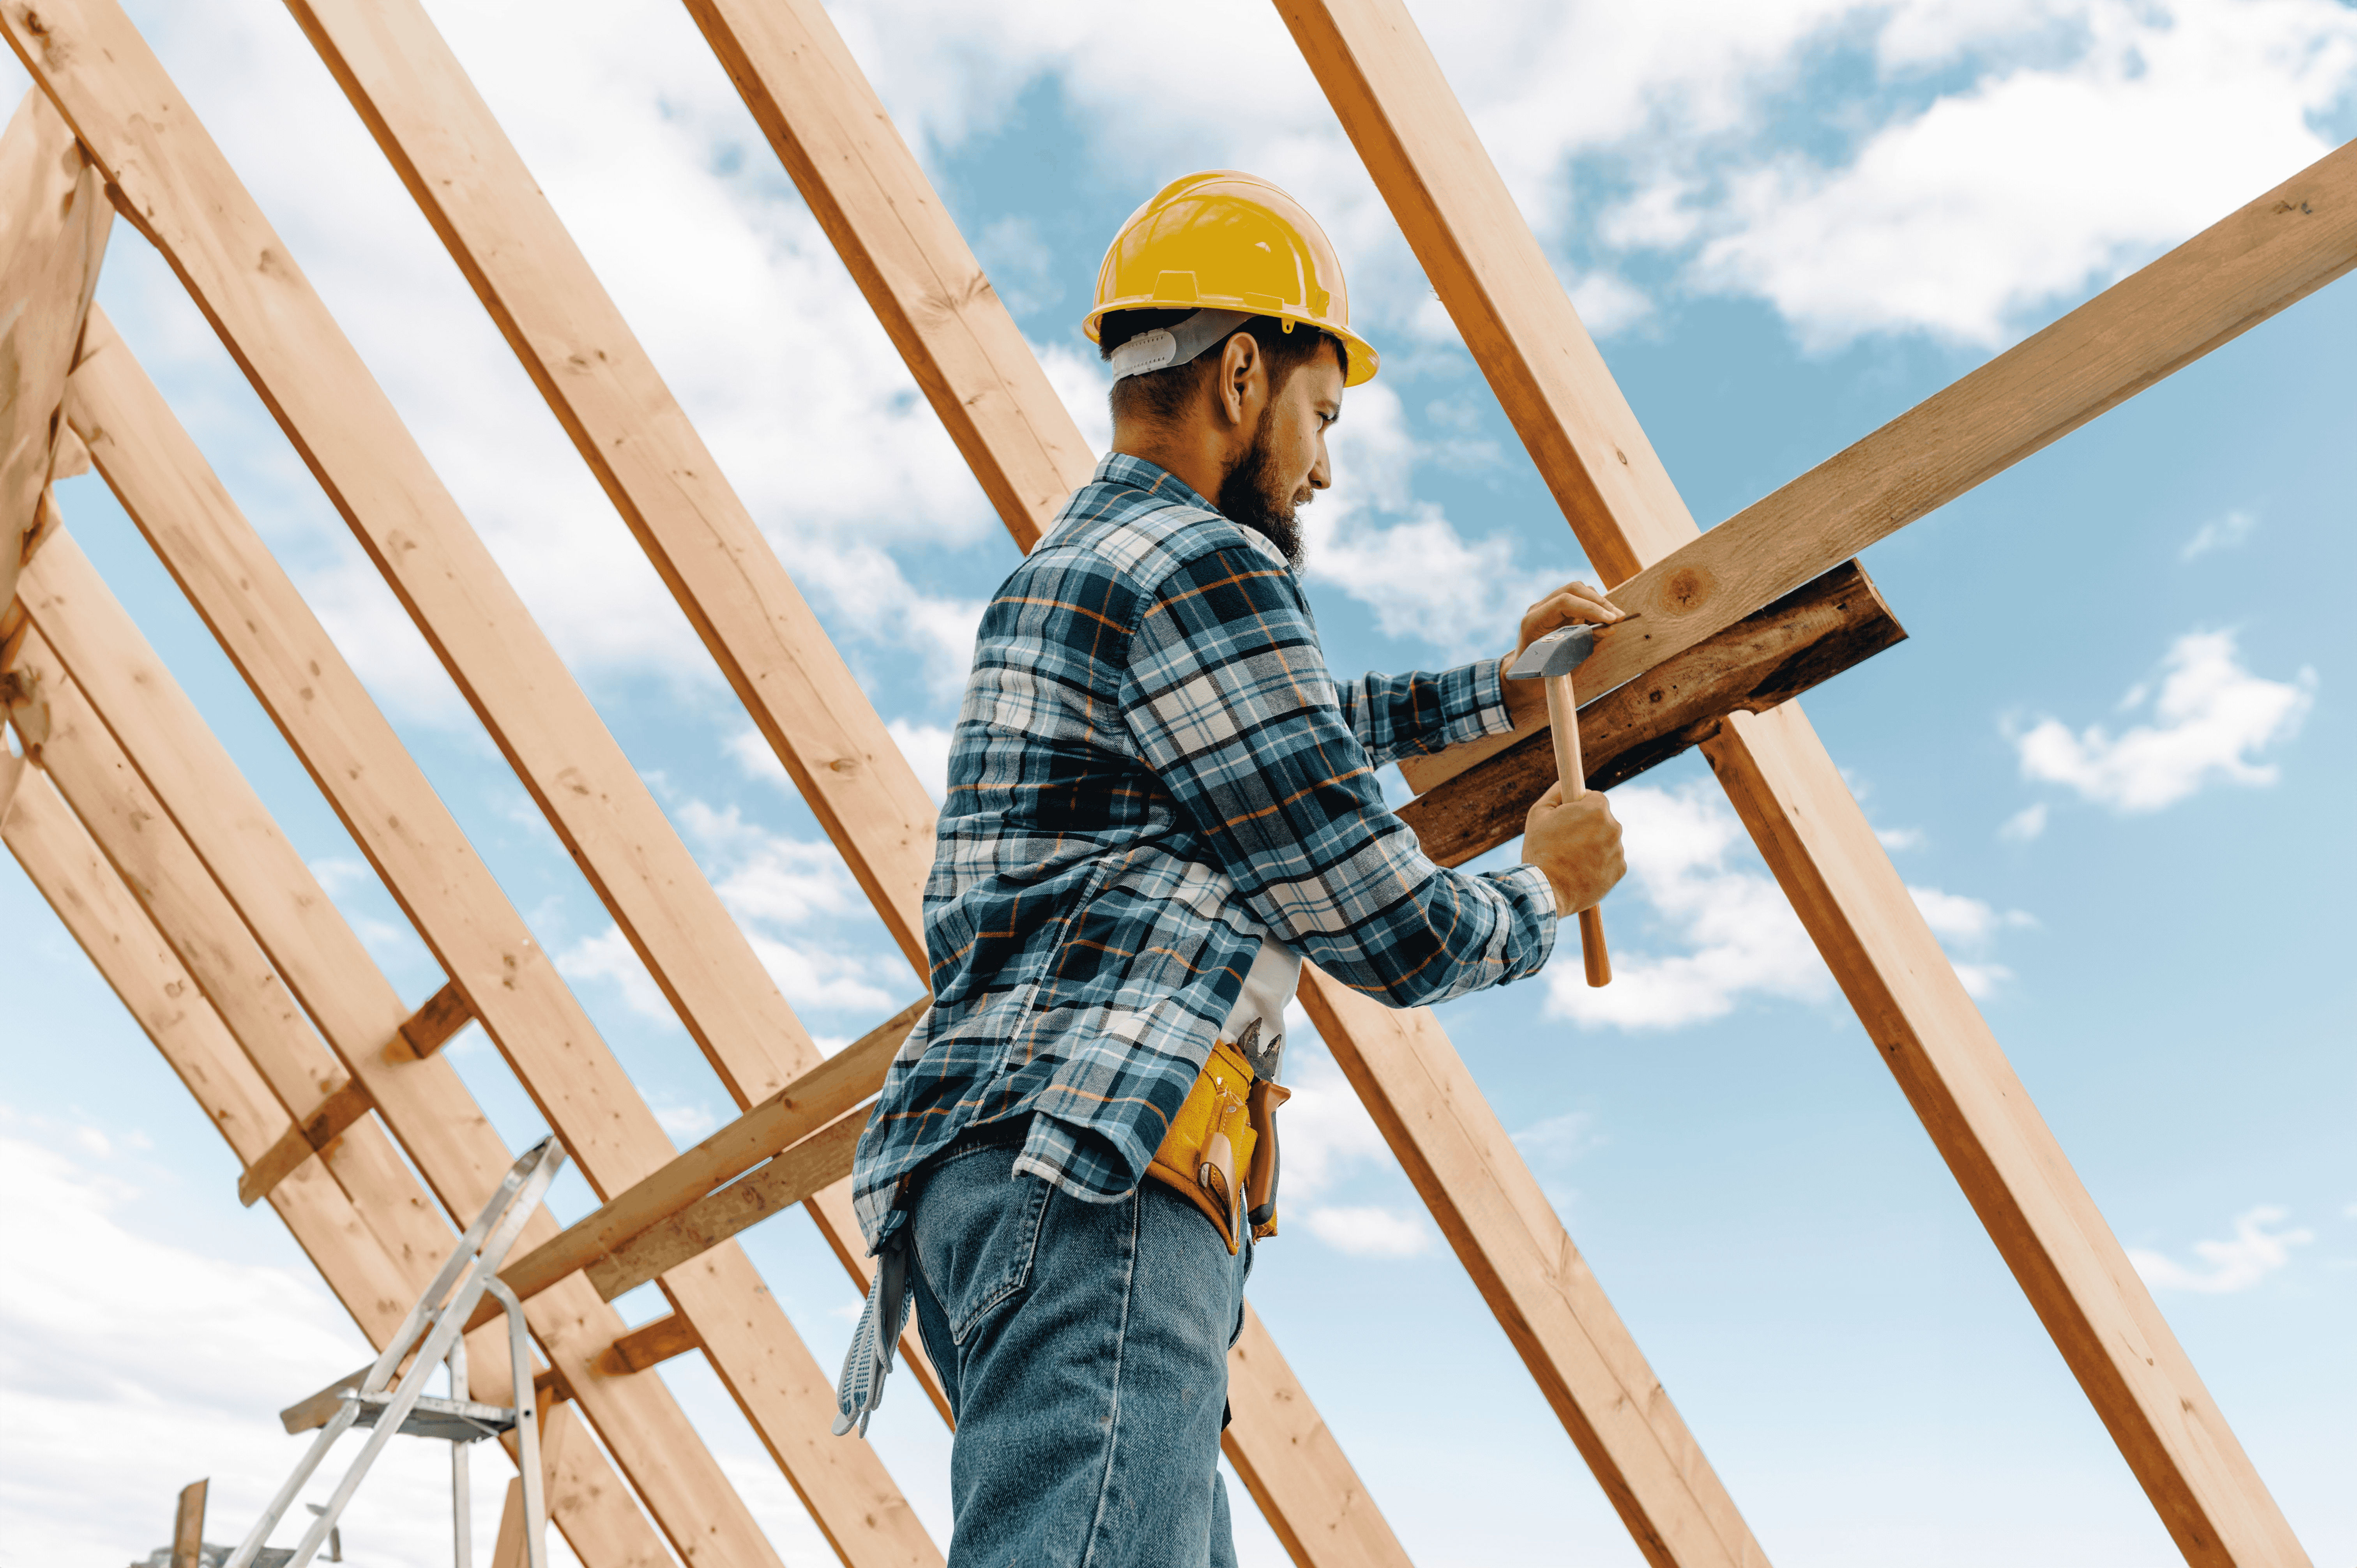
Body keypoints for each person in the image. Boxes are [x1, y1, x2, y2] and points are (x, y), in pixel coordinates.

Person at [834, 170, 1627, 1566]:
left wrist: (1495, 694)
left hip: (984, 1179)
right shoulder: (1210, 566)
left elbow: (1274, 737)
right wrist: (1545, 892)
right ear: (1244, 373)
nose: (1324, 466)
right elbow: (1386, 921)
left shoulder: (1071, 569)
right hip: (1107, 1181)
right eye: (1324, 417)